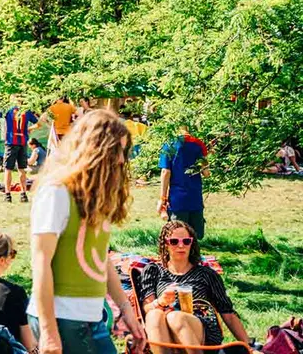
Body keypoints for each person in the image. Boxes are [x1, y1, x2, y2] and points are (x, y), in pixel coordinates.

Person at [28, 109, 146, 354]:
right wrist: (49, 333)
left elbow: (101, 259)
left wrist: (127, 310)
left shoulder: (96, 197)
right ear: (94, 149)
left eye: (123, 152)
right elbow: (41, 263)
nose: (121, 160)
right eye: (116, 151)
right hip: (62, 318)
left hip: (92, 317)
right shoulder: (56, 192)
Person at [141, 220, 252, 353]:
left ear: (191, 243)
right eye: (174, 241)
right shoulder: (153, 271)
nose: (181, 246)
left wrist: (250, 347)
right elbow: (147, 308)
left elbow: (227, 312)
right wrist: (160, 301)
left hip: (201, 327)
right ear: (166, 243)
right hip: (166, 330)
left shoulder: (206, 274)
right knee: (154, 315)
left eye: (186, 241)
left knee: (176, 317)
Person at [158, 125, 209, 239]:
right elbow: (206, 173)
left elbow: (165, 172)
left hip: (177, 200)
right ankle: (193, 255)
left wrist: (162, 198)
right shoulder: (199, 144)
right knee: (195, 237)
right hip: (195, 197)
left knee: (177, 236)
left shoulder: (169, 145)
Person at [4, 97, 39, 203]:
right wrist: (29, 129)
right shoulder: (26, 111)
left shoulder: (8, 110)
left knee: (8, 169)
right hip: (22, 142)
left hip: (11, 142)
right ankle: (23, 194)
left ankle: (7, 194)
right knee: (22, 169)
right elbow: (39, 123)